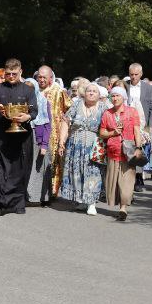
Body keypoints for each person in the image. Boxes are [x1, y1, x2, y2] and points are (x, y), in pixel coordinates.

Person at [0, 59, 36, 216]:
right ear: (4, 73)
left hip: (22, 135)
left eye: (14, 74)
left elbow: (35, 111)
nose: (11, 76)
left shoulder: (28, 90)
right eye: (8, 74)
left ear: (21, 72)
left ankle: (16, 204)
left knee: (18, 170)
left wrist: (27, 116)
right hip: (1, 135)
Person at [58, 82, 105, 215]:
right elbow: (66, 121)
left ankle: (91, 202)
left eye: (94, 91)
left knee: (93, 173)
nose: (91, 93)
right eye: (89, 91)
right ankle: (80, 200)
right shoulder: (77, 104)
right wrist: (62, 141)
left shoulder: (103, 107)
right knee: (76, 171)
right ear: (84, 93)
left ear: (99, 95)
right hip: (75, 144)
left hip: (94, 146)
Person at [27, 66, 71, 205]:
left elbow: (69, 109)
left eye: (44, 77)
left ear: (51, 78)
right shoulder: (32, 90)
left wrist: (65, 127)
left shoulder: (59, 91)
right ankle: (35, 191)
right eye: (39, 77)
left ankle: (52, 191)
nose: (41, 80)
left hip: (54, 131)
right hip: (37, 130)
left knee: (53, 162)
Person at [99, 86, 142, 221]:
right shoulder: (107, 113)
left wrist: (139, 147)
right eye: (113, 96)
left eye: (118, 96)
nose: (115, 98)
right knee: (114, 182)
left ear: (124, 97)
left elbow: (137, 131)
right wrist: (113, 133)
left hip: (128, 152)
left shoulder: (132, 112)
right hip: (113, 151)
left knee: (126, 181)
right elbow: (102, 133)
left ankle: (123, 208)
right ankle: (119, 205)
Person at [125, 63, 152, 191]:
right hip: (126, 121)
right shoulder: (125, 85)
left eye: (136, 74)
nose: (133, 77)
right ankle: (128, 177)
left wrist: (150, 125)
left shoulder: (148, 88)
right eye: (131, 74)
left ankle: (138, 177)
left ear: (141, 74)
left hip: (142, 123)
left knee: (140, 149)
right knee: (128, 148)